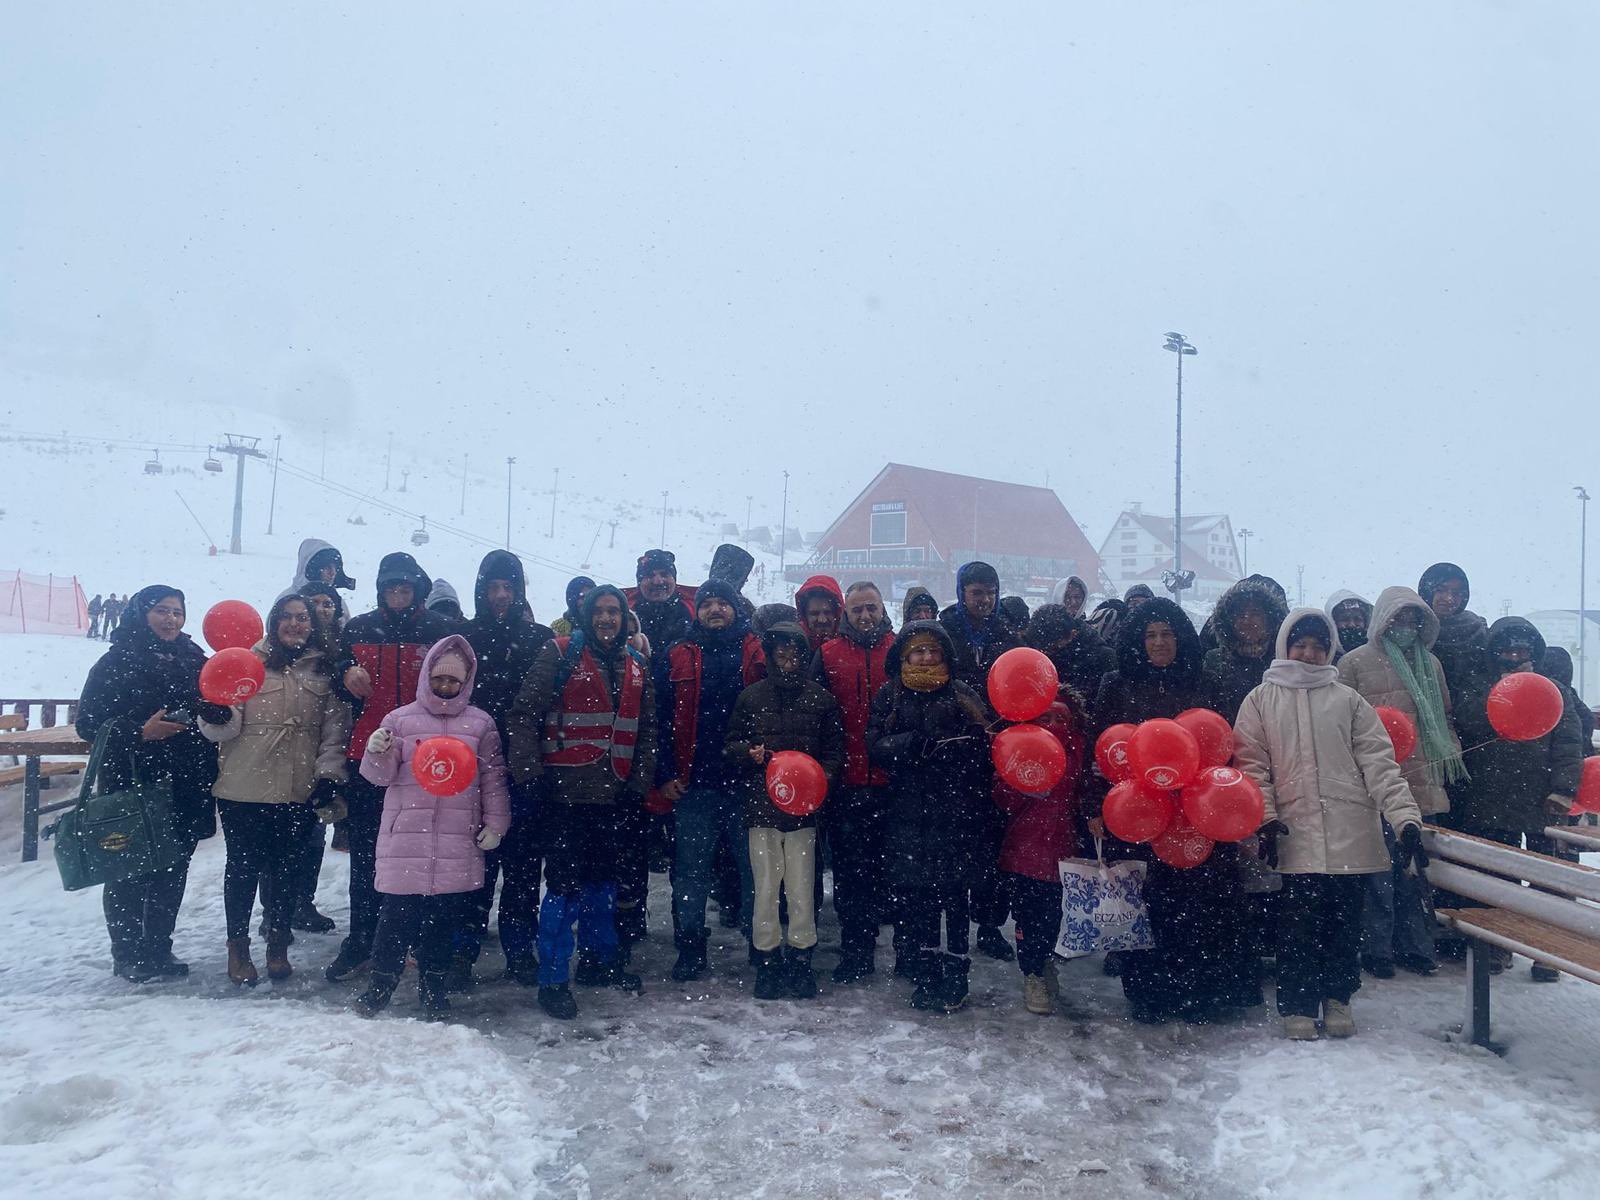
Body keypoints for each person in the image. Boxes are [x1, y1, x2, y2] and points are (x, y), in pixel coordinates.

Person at [1234, 609, 1426, 1040]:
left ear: (1330, 649)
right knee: (1298, 927)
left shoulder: (1349, 701)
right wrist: (1264, 819)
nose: (1309, 653)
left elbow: (1380, 765)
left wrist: (1404, 817)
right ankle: (1298, 1005)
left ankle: (1338, 997)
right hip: (1293, 835)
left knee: (1344, 926)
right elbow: (1252, 767)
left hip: (1350, 835)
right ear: (1286, 645)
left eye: (1318, 646)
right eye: (1301, 644)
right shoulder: (1260, 700)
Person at [1089, 598, 1260, 1022]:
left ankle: (1207, 992)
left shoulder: (1205, 682)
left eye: (1167, 634)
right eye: (1150, 635)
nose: (1159, 643)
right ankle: (1151, 994)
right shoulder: (1117, 684)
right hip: (1139, 816)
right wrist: (1092, 804)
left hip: (1200, 817)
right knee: (1148, 907)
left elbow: (1227, 749)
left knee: (1205, 907)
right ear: (1137, 641)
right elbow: (1100, 750)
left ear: (1181, 638)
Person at [507, 585, 656, 1019]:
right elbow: (522, 715)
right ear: (586, 615)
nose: (607, 619)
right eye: (600, 612)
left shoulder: (639, 665)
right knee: (564, 888)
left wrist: (639, 783)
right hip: (565, 796)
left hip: (616, 795)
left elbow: (647, 730)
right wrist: (530, 775)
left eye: (614, 612)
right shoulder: (558, 653)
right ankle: (552, 978)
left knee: (604, 886)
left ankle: (597, 962)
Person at [351, 636, 511, 1018]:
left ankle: (434, 988)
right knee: (393, 922)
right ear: (426, 677)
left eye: (454, 681)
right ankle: (380, 986)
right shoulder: (399, 719)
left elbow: (494, 779)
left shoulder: (480, 724)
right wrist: (377, 751)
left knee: (442, 926)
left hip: (457, 840)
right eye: (439, 679)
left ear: (466, 682)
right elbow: (380, 777)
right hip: (406, 838)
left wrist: (496, 824)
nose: (445, 687)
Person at [200, 594, 350, 986]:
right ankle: (238, 946)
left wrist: (328, 775)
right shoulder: (248, 662)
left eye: (302, 618)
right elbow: (225, 728)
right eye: (286, 617)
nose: (295, 624)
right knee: (243, 869)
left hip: (297, 787)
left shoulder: (324, 670)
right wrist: (215, 713)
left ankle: (277, 943)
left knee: (288, 871)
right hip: (245, 784)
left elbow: (335, 732)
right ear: (273, 621)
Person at [75, 586, 221, 982]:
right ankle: (126, 952)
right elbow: (88, 724)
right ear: (141, 613)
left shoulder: (194, 659)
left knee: (172, 869)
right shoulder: (115, 662)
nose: (171, 619)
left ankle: (158, 947)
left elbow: (214, 705)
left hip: (187, 781)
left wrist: (217, 710)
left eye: (177, 611)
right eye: (162, 610)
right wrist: (139, 732)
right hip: (133, 781)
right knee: (128, 868)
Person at [325, 552, 456, 982]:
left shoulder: (438, 631)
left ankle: (414, 941)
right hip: (369, 755)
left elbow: (462, 681)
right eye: (390, 589)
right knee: (368, 854)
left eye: (405, 589)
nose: (398, 596)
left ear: (417, 590)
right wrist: (345, 672)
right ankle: (362, 938)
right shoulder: (359, 629)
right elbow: (333, 680)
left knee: (418, 856)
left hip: (426, 759)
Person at [1337, 587, 1465, 977]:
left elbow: (1442, 720)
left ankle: (1417, 947)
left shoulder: (1432, 664)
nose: (1406, 627)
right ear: (1383, 619)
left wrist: (1450, 764)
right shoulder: (1355, 662)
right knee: (1378, 873)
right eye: (1399, 618)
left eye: (1413, 620)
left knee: (1416, 872)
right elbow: (1341, 723)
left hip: (1423, 781)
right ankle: (1377, 949)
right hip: (1373, 782)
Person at [868, 621, 991, 1012]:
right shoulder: (890, 695)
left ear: (945, 654)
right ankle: (925, 974)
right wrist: (907, 746)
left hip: (955, 812)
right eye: (916, 651)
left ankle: (956, 975)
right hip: (907, 812)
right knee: (919, 902)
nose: (924, 657)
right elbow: (874, 745)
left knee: (954, 900)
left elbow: (988, 746)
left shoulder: (962, 694)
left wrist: (970, 749)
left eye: (932, 650)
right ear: (903, 657)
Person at [1453, 617, 1584, 979]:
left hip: (1544, 799)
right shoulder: (1479, 686)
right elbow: (1467, 722)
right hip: (1491, 798)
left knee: (1549, 879)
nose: (1514, 656)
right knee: (1497, 879)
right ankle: (1497, 944)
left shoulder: (1554, 689)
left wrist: (1564, 790)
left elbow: (1569, 744)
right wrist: (1502, 690)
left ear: (1534, 653)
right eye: (1507, 650)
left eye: (1522, 650)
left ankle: (1549, 950)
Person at [724, 620, 845, 1000]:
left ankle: (801, 956)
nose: (788, 659)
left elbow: (834, 753)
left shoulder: (821, 699)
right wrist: (748, 753)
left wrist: (818, 780)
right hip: (761, 808)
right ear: (771, 655)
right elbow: (731, 745)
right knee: (765, 888)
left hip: (804, 814)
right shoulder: (751, 696)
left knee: (801, 889)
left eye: (795, 652)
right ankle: (767, 957)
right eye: (781, 652)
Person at [655, 577, 766, 979]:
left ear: (736, 608)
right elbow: (660, 719)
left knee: (754, 869)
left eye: (723, 603)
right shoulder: (677, 654)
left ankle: (761, 943)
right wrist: (664, 773)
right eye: (707, 604)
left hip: (748, 784)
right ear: (696, 611)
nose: (715, 610)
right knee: (691, 872)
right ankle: (690, 947)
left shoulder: (756, 650)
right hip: (694, 784)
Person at [455, 550, 555, 988]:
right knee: (472, 867)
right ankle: (462, 951)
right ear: (481, 590)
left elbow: (554, 703)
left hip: (525, 768)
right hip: (470, 769)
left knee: (522, 868)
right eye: (493, 588)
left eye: (508, 588)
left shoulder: (540, 638)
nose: (500, 596)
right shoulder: (464, 638)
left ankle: (519, 949)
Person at [812, 581, 897, 983]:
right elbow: (816, 717)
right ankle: (856, 950)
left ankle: (907, 952)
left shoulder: (900, 650)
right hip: (846, 782)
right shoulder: (827, 654)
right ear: (847, 613)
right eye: (858, 609)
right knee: (850, 874)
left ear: (883, 609)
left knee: (895, 872)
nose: (865, 616)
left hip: (893, 782)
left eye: (872, 608)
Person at [938, 560, 1022, 960]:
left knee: (993, 845)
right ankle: (953, 926)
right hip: (953, 752)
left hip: (996, 753)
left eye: (990, 591)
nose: (984, 600)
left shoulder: (1007, 635)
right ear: (961, 593)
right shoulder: (945, 632)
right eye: (976, 592)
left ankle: (989, 925)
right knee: (956, 844)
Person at [994, 691, 1087, 1015]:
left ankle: (1045, 961)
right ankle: (1032, 972)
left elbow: (1085, 794)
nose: (1054, 725)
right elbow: (1002, 799)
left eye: (1061, 719)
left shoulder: (1079, 750)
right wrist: (1023, 786)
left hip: (1065, 848)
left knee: (1053, 917)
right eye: (1046, 719)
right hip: (1025, 848)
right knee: (1028, 916)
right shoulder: (1021, 748)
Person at [1201, 576, 1290, 724]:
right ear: (1230, 621)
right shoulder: (1215, 661)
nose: (1247, 620)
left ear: (1270, 619)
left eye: (1255, 613)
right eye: (1240, 614)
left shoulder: (1285, 660)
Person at [1417, 562, 1489, 699]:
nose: (1449, 598)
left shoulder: (1477, 630)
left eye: (1456, 593)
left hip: (1470, 711)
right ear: (1427, 591)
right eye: (1441, 590)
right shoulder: (1411, 629)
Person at [1024, 603, 1117, 700]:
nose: (1047, 654)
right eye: (1041, 650)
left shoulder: (1102, 657)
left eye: (1054, 649)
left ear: (1073, 634)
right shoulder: (1033, 653)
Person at [628, 549, 695, 654]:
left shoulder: (695, 611)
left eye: (664, 574)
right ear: (639, 583)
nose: (658, 581)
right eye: (650, 575)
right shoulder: (625, 613)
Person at [706, 543, 758, 624]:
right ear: (737, 575)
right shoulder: (743, 607)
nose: (746, 581)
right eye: (744, 576)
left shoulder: (696, 600)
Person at [287, 538, 357, 596]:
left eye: (335, 567)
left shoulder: (336, 601)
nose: (333, 572)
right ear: (313, 569)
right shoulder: (287, 601)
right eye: (327, 567)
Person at [794, 574, 845, 652]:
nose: (822, 620)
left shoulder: (853, 645)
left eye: (828, 612)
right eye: (814, 613)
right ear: (804, 616)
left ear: (837, 613)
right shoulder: (795, 646)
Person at [1325, 590, 1373, 660]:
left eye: (1357, 619)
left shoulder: (1377, 654)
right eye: (1344, 619)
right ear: (1333, 623)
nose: (1352, 625)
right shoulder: (1323, 657)